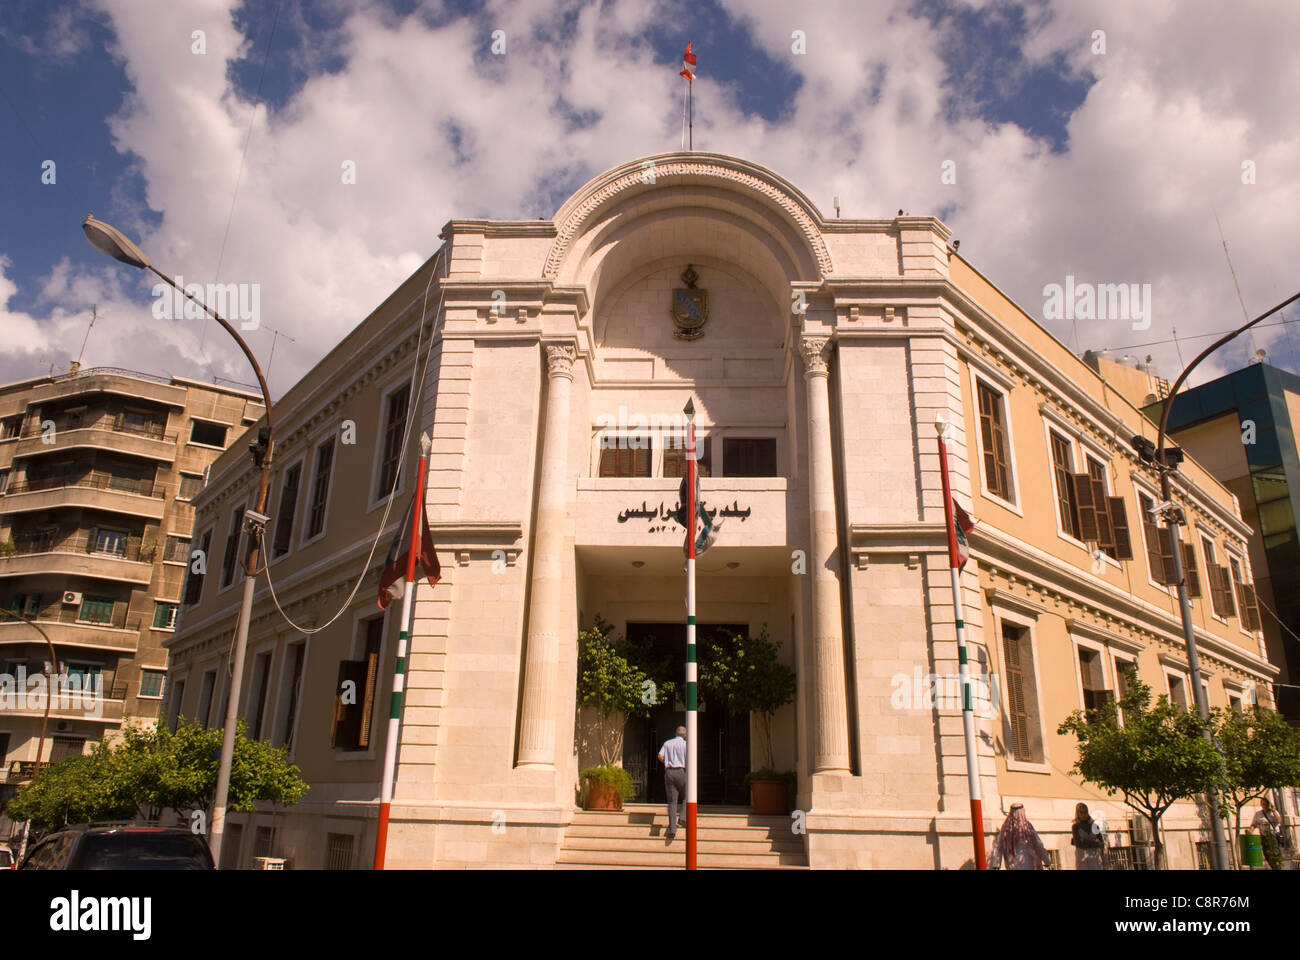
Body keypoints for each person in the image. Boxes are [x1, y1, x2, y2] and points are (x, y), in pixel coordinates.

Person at [990, 803, 1052, 870]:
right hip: (1028, 864)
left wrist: (996, 863)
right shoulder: (1027, 827)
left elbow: (999, 846)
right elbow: (1038, 845)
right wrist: (1046, 860)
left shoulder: (1006, 828)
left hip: (1013, 864)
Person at [657, 726, 687, 840]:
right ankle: (683, 817)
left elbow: (660, 756)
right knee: (688, 795)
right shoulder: (686, 745)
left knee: (672, 801)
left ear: (675, 733)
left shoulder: (667, 743)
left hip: (669, 772)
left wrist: (667, 763)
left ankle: (672, 829)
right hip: (682, 771)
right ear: (685, 735)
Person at [1252, 796, 1284, 870]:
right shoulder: (1258, 814)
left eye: (1265, 804)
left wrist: (1273, 811)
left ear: (1268, 804)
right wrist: (1251, 831)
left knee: (1275, 855)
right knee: (1267, 855)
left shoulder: (1273, 812)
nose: (1264, 805)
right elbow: (1254, 824)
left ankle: (1277, 868)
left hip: (1273, 837)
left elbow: (1279, 821)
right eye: (1263, 804)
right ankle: (1274, 867)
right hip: (1264, 837)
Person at [1070, 802, 1105, 870]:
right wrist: (1094, 843)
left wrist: (1087, 842)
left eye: (1085, 812)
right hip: (1082, 857)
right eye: (1081, 813)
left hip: (1094, 857)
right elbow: (1078, 843)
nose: (1083, 815)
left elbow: (1101, 842)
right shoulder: (1076, 827)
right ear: (1077, 814)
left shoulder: (1094, 826)